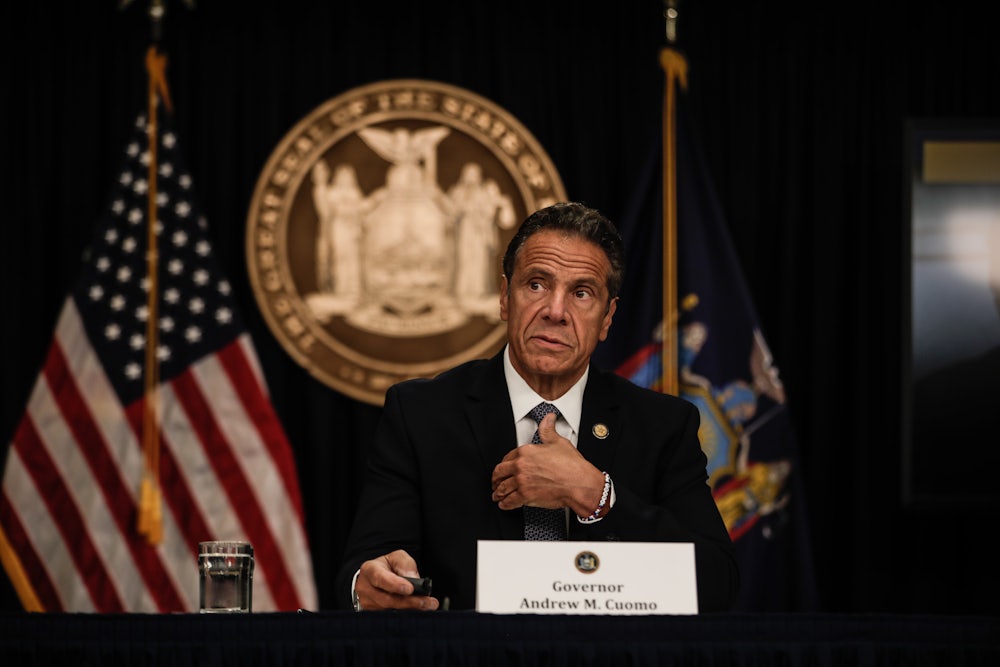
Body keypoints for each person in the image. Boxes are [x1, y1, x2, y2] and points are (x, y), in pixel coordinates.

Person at [335, 201, 739, 612]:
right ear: (505, 297)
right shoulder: (421, 414)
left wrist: (595, 495)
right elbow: (366, 565)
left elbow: (716, 583)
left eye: (581, 293)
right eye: (537, 285)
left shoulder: (662, 425)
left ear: (606, 319)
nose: (556, 311)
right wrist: (366, 587)